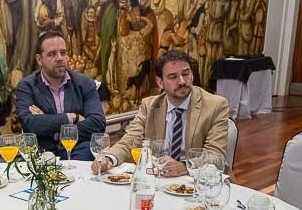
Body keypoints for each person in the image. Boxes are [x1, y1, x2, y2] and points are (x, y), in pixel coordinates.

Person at [93, 49, 230, 175]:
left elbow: (215, 156)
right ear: (160, 82)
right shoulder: (150, 106)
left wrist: (185, 166)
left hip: (201, 181)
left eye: (186, 73)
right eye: (173, 77)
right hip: (160, 179)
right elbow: (129, 141)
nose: (182, 81)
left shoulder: (216, 105)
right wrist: (108, 159)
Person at [14, 30, 106, 160]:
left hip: (79, 151)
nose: (59, 58)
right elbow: (30, 124)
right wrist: (73, 117)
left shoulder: (85, 84)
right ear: (39, 59)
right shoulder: (27, 86)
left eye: (63, 53)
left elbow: (98, 124)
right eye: (52, 54)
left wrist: (48, 121)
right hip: (41, 155)